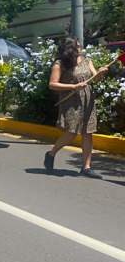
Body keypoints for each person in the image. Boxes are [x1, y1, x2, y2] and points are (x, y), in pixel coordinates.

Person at [43, 38, 108, 178]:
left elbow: (94, 78)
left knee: (87, 132)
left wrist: (100, 73)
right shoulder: (60, 64)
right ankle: (51, 153)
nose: (81, 48)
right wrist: (73, 86)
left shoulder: (87, 61)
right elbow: (52, 84)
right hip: (71, 101)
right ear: (70, 49)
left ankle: (86, 167)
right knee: (72, 132)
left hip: (87, 100)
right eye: (78, 46)